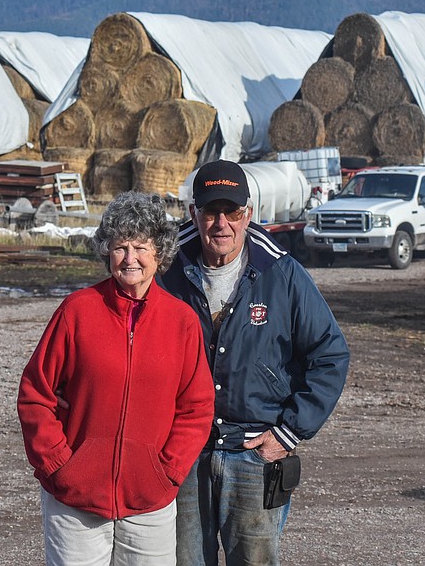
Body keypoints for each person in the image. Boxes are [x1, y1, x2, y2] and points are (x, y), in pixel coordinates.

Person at [160, 160, 351, 566]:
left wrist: (287, 433)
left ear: (248, 214)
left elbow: (330, 353)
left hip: (253, 453)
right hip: (183, 452)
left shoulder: (280, 272)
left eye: (233, 212)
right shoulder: (166, 269)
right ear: (194, 212)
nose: (221, 224)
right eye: (211, 211)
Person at [18, 191, 216, 566]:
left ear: (159, 253)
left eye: (140, 247)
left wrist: (167, 472)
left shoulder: (182, 322)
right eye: (120, 247)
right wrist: (60, 466)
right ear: (107, 251)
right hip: (75, 501)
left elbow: (197, 408)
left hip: (149, 503)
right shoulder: (77, 311)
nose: (130, 259)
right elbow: (35, 394)